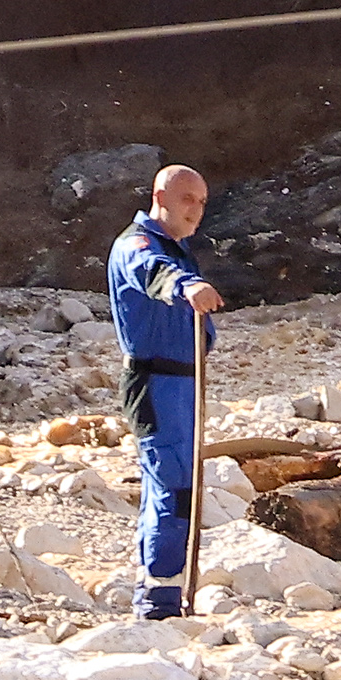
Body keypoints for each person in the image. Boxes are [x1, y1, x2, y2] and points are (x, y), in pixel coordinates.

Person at [108, 163, 228, 618]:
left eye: (201, 202)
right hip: (156, 383)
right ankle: (157, 601)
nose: (196, 210)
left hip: (183, 382)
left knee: (180, 485)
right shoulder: (139, 245)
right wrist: (187, 285)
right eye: (187, 200)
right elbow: (151, 273)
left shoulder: (177, 247)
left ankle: (163, 590)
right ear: (160, 197)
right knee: (172, 487)